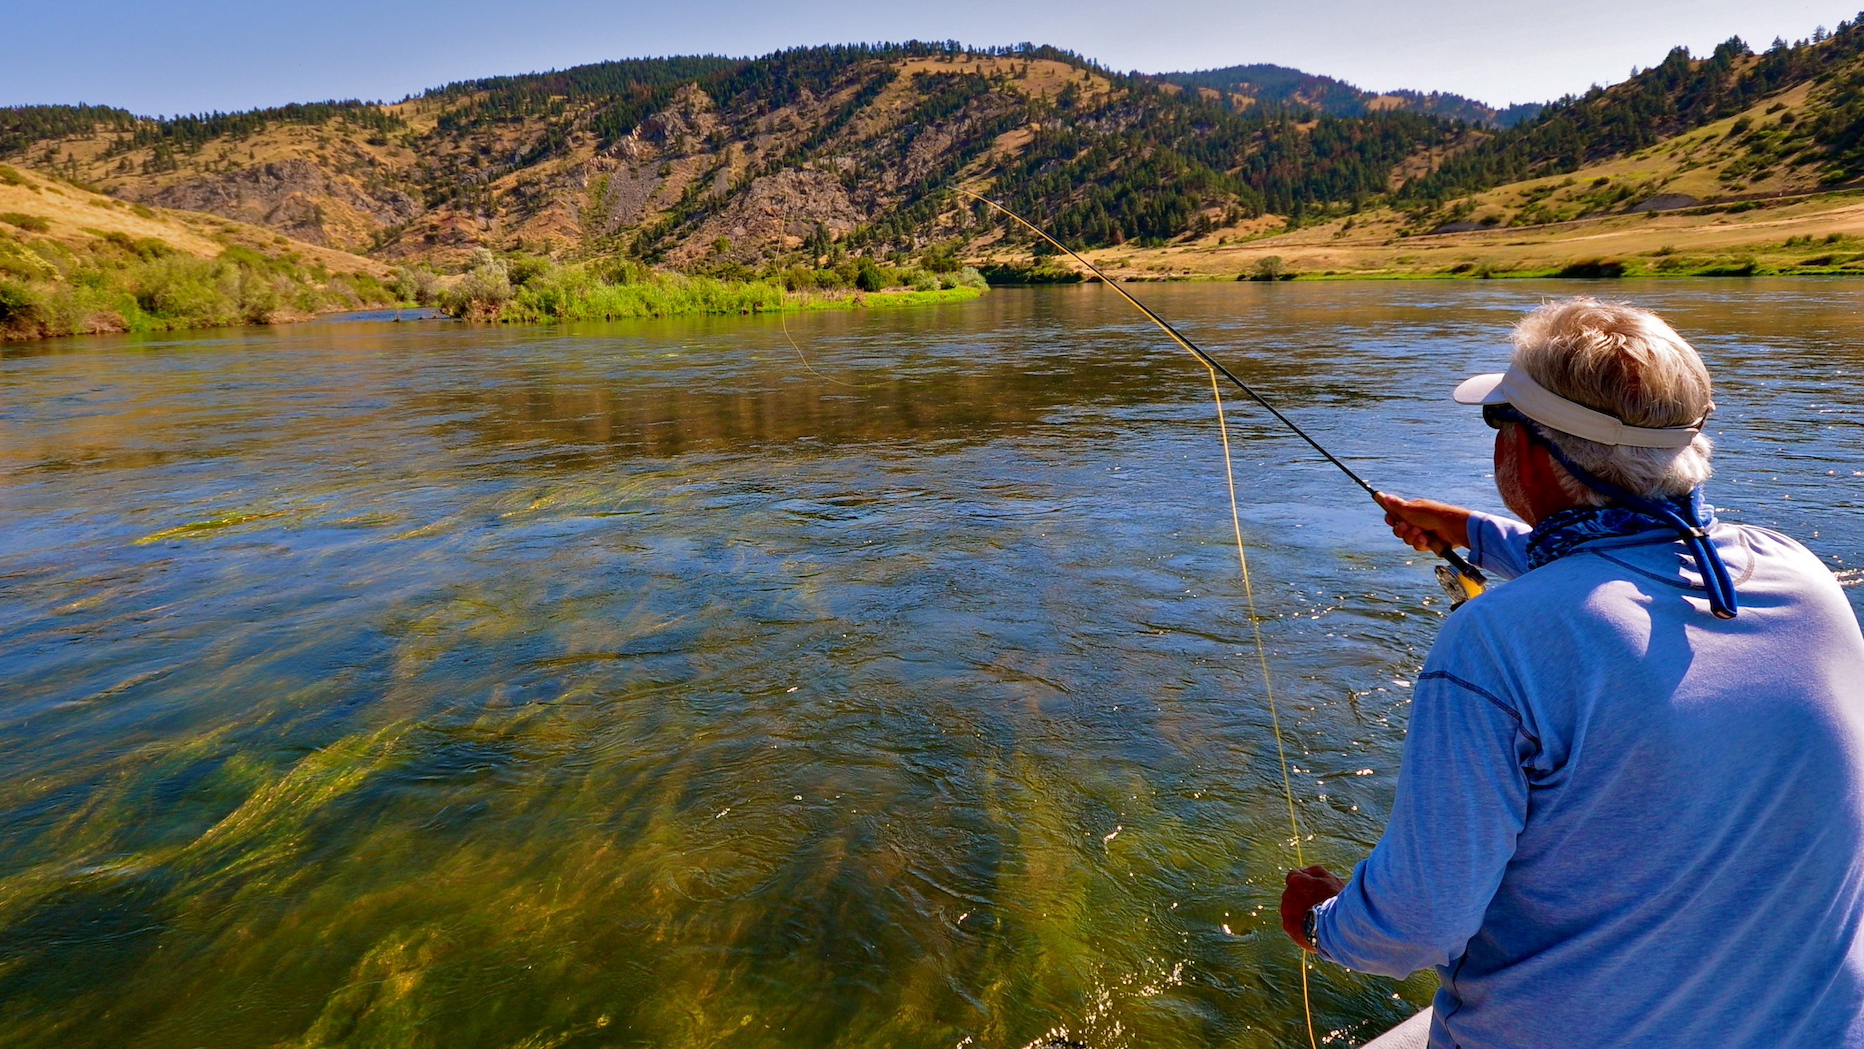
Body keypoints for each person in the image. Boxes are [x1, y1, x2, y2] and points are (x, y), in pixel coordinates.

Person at [1278, 297, 1864, 1048]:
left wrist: (1326, 924)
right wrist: (1460, 527)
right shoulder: (1800, 574)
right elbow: (1623, 565)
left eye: (1499, 421)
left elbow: (1415, 926)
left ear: (1524, 451)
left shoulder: (1494, 641)